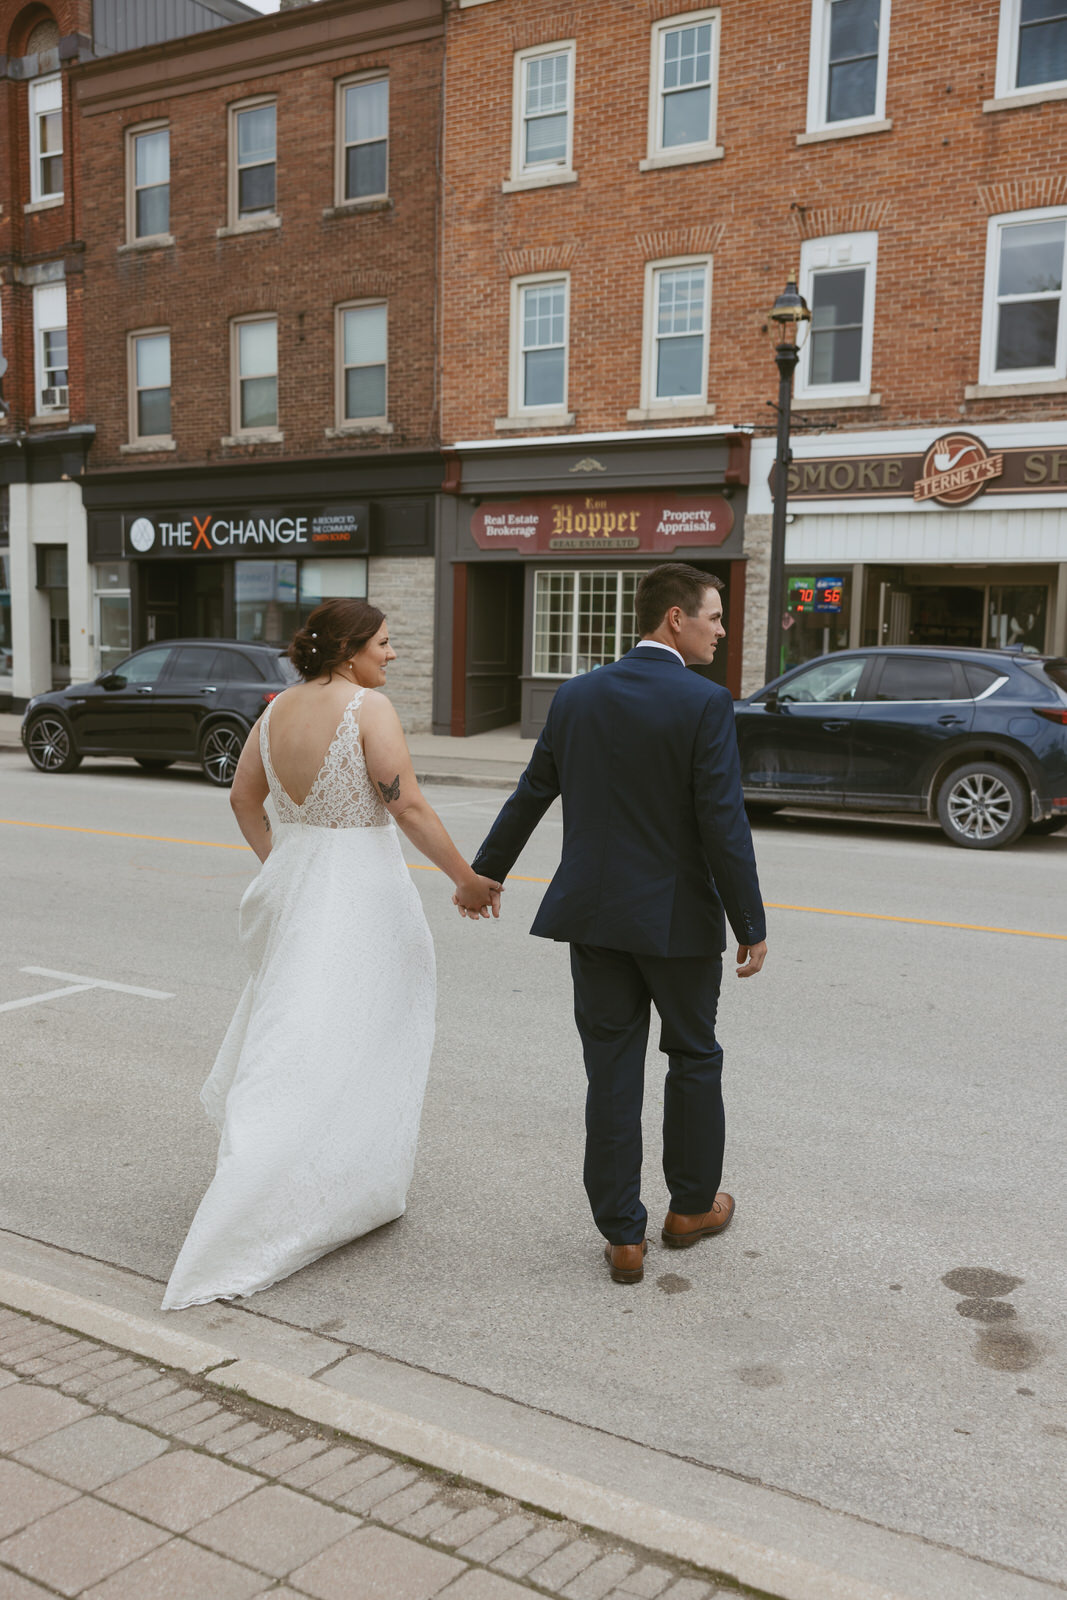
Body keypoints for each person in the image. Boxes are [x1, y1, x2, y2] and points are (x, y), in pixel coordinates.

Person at [162, 598, 501, 1310]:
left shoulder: (276, 708)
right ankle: (295, 1193)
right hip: (363, 895)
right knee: (358, 1035)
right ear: (349, 649)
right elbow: (405, 805)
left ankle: (335, 1182)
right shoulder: (367, 709)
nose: (393, 654)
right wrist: (466, 880)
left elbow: (242, 801)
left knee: (298, 1035)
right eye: (384, 642)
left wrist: (285, 865)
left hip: (302, 886)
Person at [470, 564, 767, 1286]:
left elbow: (532, 789)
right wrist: (748, 922)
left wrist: (488, 871)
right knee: (693, 1056)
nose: (720, 630)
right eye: (714, 616)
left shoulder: (575, 696)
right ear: (674, 619)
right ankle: (690, 1209)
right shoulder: (703, 703)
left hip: (594, 916)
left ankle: (622, 1236)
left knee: (610, 1069)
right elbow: (720, 821)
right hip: (674, 921)